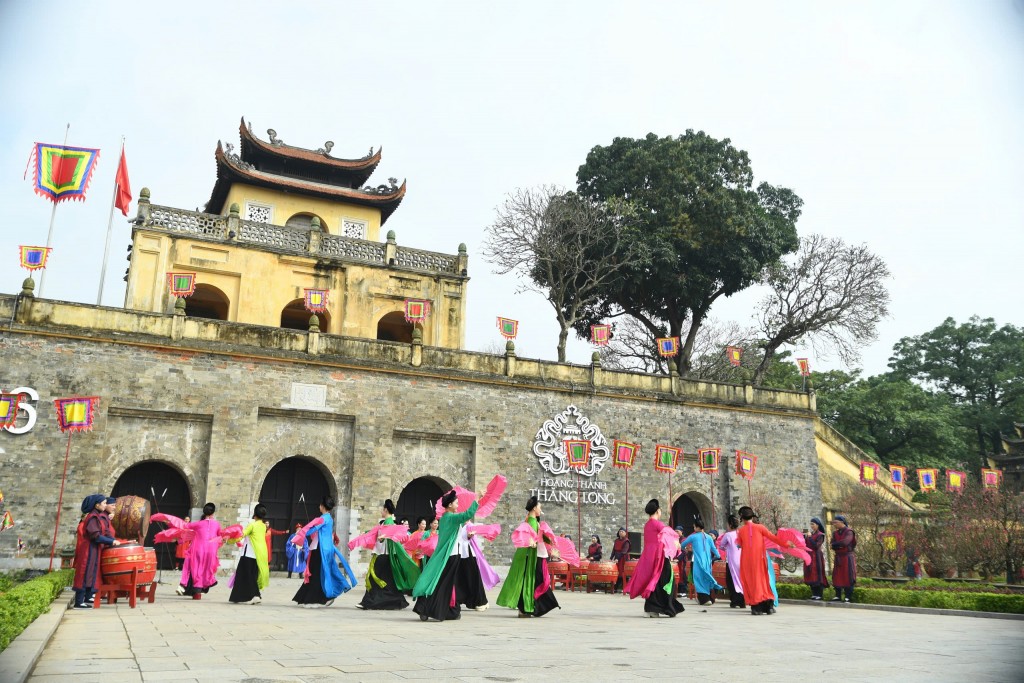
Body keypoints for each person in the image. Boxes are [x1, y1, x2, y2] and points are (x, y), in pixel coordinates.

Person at [412, 489, 482, 621]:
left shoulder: (445, 518)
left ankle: (447, 610)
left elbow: (461, 521)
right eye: (456, 503)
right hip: (452, 556)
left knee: (445, 583)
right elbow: (468, 514)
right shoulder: (450, 517)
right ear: (449, 505)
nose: (457, 505)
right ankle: (431, 609)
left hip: (451, 555)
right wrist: (477, 499)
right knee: (445, 584)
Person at [497, 496, 563, 618]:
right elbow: (526, 536)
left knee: (535, 581)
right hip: (532, 556)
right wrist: (531, 541)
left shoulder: (534, 522)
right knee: (534, 581)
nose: (540, 509)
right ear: (534, 508)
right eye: (539, 507)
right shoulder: (531, 522)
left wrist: (549, 545)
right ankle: (526, 608)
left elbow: (539, 538)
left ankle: (530, 607)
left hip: (537, 555)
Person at [292, 496, 357, 608]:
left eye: (320, 505)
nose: (319, 506)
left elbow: (311, 530)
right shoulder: (329, 519)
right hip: (323, 549)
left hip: (320, 550)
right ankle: (314, 597)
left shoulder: (322, 519)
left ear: (322, 506)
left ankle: (314, 600)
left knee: (316, 574)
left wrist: (302, 533)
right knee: (318, 573)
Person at [356, 499, 420, 610]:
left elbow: (390, 537)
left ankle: (368, 602)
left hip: (384, 555)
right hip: (384, 555)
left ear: (385, 510)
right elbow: (376, 532)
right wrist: (366, 533)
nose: (382, 511)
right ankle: (397, 601)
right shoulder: (385, 523)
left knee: (373, 578)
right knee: (389, 581)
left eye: (382, 509)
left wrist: (383, 538)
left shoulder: (390, 523)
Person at [626, 499, 684, 618]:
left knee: (655, 580)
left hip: (649, 555)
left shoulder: (648, 524)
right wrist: (677, 545)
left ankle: (652, 608)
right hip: (659, 556)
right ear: (658, 511)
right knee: (665, 581)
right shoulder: (658, 524)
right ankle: (657, 607)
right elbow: (672, 535)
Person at [736, 505, 793, 615]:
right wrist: (786, 544)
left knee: (751, 581)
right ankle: (768, 606)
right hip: (760, 560)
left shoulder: (741, 531)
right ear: (752, 517)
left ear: (742, 519)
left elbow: (739, 544)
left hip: (747, 561)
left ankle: (756, 607)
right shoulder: (761, 527)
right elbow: (774, 538)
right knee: (762, 581)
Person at [72, 495, 120, 608]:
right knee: (84, 572)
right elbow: (96, 536)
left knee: (91, 573)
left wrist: (114, 541)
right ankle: (78, 602)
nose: (105, 504)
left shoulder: (96, 516)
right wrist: (111, 542)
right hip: (88, 549)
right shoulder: (92, 517)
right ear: (96, 505)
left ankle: (87, 598)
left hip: (93, 548)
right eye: (103, 503)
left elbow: (104, 533)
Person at [177, 503, 225, 599]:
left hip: (198, 549)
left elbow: (185, 526)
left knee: (197, 569)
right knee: (207, 568)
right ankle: (203, 587)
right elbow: (221, 535)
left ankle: (197, 591)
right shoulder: (217, 524)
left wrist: (171, 522)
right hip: (211, 550)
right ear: (213, 512)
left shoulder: (198, 524)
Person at [229, 504, 269, 604]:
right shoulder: (263, 526)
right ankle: (249, 596)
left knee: (246, 576)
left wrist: (229, 539)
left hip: (248, 554)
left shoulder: (252, 525)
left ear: (255, 513)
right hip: (259, 554)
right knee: (251, 575)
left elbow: (241, 535)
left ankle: (255, 595)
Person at [680, 519, 722, 608]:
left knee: (698, 579)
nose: (694, 528)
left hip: (698, 561)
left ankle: (705, 599)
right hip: (708, 561)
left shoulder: (693, 537)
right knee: (706, 578)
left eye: (694, 527)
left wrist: (685, 548)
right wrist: (718, 556)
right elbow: (714, 549)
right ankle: (710, 598)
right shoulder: (709, 537)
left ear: (697, 527)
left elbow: (682, 545)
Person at [716, 515, 745, 608]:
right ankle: (742, 601)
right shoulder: (741, 533)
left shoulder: (728, 535)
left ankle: (735, 601)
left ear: (730, 524)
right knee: (741, 580)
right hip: (742, 560)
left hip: (731, 562)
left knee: (731, 581)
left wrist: (727, 548)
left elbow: (721, 546)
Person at [830, 515, 857, 603]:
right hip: (838, 557)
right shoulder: (835, 533)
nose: (834, 524)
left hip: (847, 557)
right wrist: (837, 545)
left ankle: (848, 597)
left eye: (835, 522)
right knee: (837, 576)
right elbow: (831, 544)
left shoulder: (849, 531)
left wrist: (836, 544)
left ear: (842, 522)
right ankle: (838, 596)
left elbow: (846, 542)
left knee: (848, 576)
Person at [803, 518, 829, 601]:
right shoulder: (809, 534)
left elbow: (816, 546)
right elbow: (805, 544)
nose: (812, 526)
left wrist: (810, 538)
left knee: (817, 574)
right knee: (810, 573)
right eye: (811, 524)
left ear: (818, 525)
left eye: (813, 524)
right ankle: (814, 594)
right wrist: (803, 537)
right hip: (809, 556)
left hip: (816, 556)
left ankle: (819, 594)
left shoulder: (821, 535)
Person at [609, 527, 631, 593]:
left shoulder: (626, 541)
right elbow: (614, 550)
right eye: (620, 531)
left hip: (623, 558)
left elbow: (624, 551)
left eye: (622, 531)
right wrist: (611, 558)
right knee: (617, 573)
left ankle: (626, 588)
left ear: (625, 533)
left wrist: (617, 558)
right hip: (617, 558)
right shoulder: (616, 541)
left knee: (623, 573)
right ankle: (615, 588)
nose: (621, 533)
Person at [673, 526, 688, 598]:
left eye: (677, 531)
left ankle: (683, 591)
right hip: (675, 559)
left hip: (682, 560)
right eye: (675, 531)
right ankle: (678, 590)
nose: (676, 533)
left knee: (682, 574)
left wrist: (678, 558)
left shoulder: (684, 540)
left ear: (682, 532)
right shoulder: (674, 539)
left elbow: (684, 551)